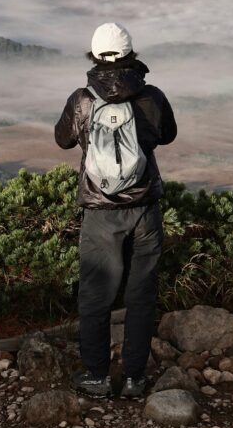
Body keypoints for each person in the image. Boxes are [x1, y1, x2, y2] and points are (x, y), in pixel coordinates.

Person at [54, 22, 177, 398]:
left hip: (100, 213)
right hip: (144, 212)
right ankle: (135, 379)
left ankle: (96, 376)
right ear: (130, 54)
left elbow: (62, 139)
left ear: (94, 56)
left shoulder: (83, 99)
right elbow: (168, 134)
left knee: (96, 297)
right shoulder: (151, 96)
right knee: (141, 297)